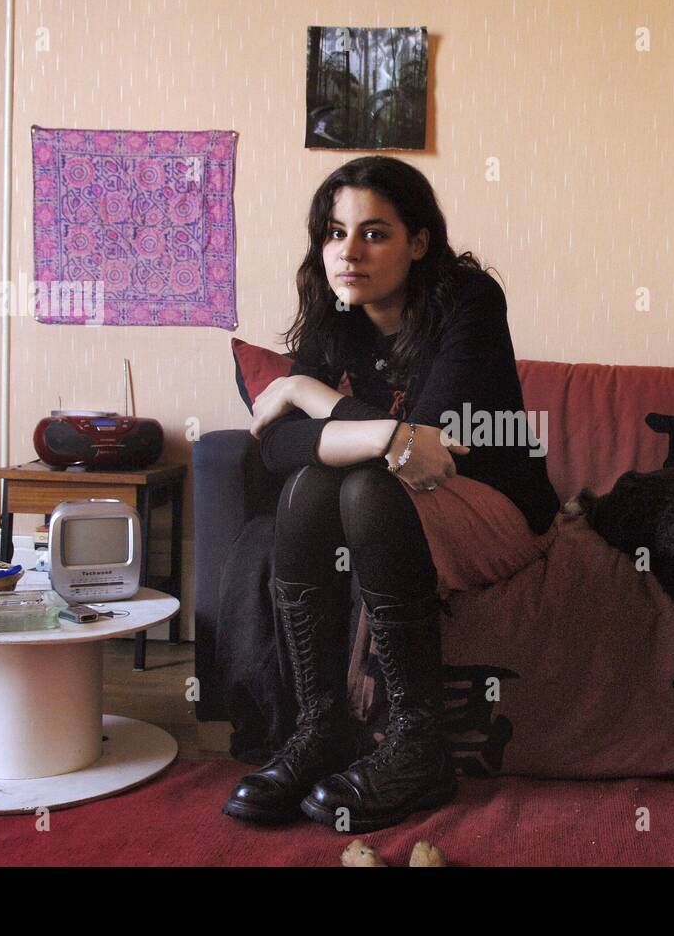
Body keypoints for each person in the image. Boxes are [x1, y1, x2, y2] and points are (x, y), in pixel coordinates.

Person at [220, 156, 559, 833]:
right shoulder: (334, 313)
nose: (349, 252)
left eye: (374, 233)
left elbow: (430, 449)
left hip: (496, 506)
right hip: (395, 500)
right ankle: (322, 729)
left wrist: (303, 392)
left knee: (367, 489)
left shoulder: (468, 302)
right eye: (334, 233)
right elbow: (279, 449)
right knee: (315, 487)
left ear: (419, 242)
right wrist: (377, 434)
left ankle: (417, 747)